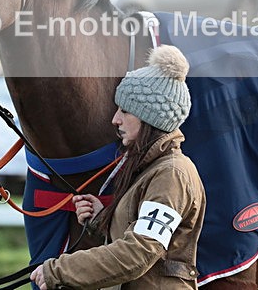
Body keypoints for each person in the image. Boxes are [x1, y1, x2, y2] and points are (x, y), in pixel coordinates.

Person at [31, 45, 206, 290]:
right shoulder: (152, 168)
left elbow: (138, 253)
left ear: (150, 118)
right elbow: (142, 235)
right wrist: (103, 217)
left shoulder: (172, 175)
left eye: (125, 111)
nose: (115, 119)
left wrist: (60, 269)